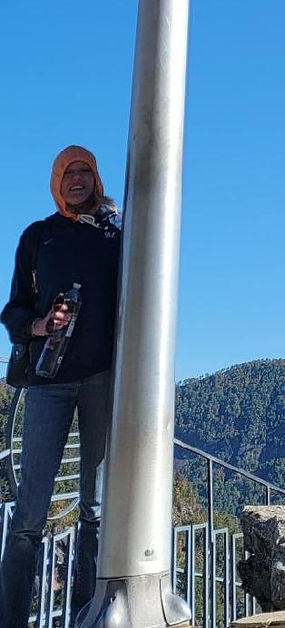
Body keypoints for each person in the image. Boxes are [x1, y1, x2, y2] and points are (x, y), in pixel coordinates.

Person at [0, 147, 121, 628]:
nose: (76, 179)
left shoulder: (117, 234)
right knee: (29, 515)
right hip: (49, 382)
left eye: (84, 171)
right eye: (67, 172)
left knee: (93, 509)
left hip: (103, 379)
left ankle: (84, 617)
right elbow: (13, 310)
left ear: (96, 178)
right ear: (56, 181)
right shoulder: (38, 236)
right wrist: (40, 326)